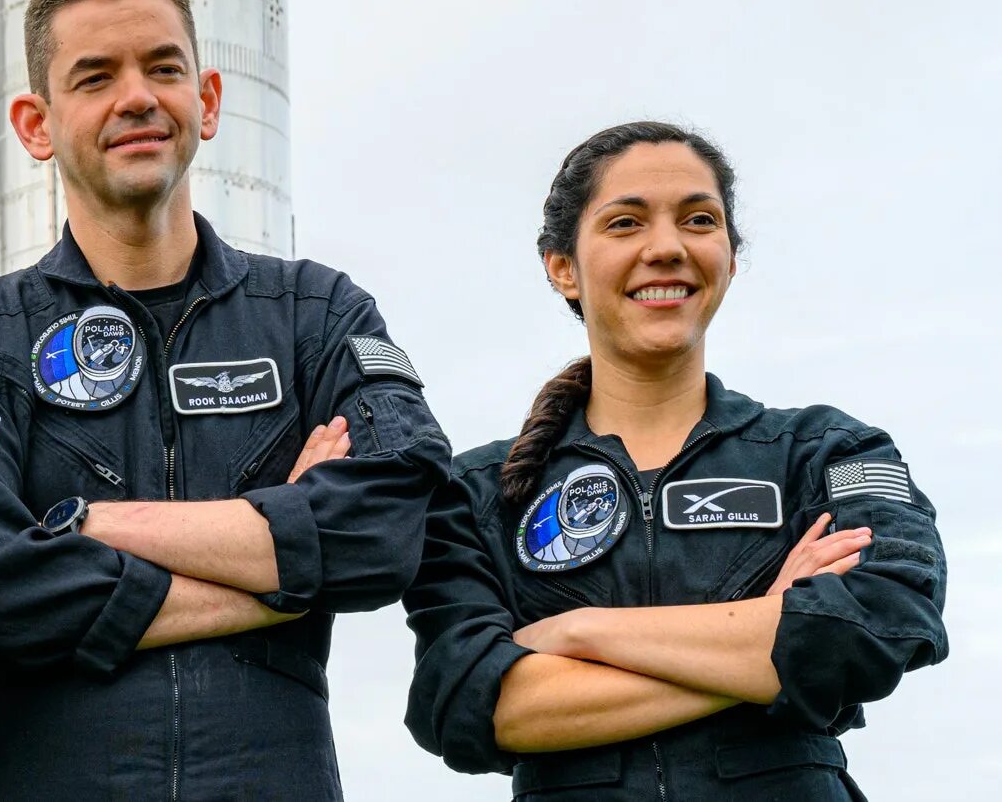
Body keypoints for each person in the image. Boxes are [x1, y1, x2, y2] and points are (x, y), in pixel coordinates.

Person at [0, 0, 452, 800]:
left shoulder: (317, 313)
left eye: (163, 66)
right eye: (94, 77)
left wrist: (89, 524)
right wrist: (278, 577)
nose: (137, 97)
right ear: (35, 125)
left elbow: (382, 531)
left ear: (209, 98)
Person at [403, 122, 947, 797]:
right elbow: (464, 701)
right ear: (561, 265)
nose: (666, 247)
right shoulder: (477, 491)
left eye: (698, 218)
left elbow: (876, 624)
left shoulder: (826, 452)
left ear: (729, 254)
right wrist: (765, 631)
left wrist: (579, 630)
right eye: (625, 222)